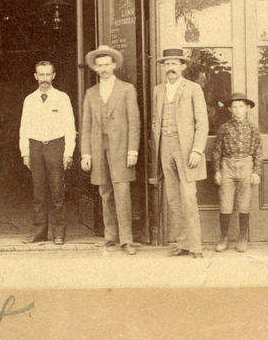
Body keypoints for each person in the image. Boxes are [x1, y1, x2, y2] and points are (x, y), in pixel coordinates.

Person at [79, 45, 141, 254]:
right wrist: (86, 153)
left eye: (107, 64)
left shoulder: (126, 89)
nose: (104, 68)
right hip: (98, 149)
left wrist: (132, 150)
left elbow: (134, 122)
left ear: (114, 65)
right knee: (105, 193)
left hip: (121, 148)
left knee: (122, 192)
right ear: (95, 68)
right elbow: (86, 126)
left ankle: (127, 240)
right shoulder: (91, 92)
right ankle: (111, 236)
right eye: (100, 65)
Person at [149, 48, 209, 257]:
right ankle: (183, 244)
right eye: (167, 64)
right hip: (164, 146)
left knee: (189, 197)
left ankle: (196, 247)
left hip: (187, 149)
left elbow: (202, 123)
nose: (170, 67)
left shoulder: (193, 89)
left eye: (174, 63)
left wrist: (197, 149)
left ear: (183, 66)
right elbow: (155, 120)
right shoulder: (158, 90)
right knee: (173, 198)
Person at [19, 59, 76, 245]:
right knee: (38, 193)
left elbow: (70, 127)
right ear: (35, 76)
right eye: (41, 75)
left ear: (54, 75)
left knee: (57, 192)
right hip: (35, 147)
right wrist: (25, 153)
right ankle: (39, 233)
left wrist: (68, 152)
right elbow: (24, 128)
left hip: (55, 146)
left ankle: (59, 233)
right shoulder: (29, 99)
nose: (44, 78)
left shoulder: (62, 98)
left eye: (48, 74)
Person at [212, 94, 262, 253]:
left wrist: (256, 171)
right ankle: (224, 237)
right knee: (225, 203)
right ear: (229, 109)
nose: (238, 110)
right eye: (234, 107)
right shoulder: (224, 128)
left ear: (247, 108)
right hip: (227, 165)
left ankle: (242, 236)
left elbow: (258, 151)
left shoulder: (253, 128)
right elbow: (216, 151)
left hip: (246, 164)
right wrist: (217, 171)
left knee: (244, 203)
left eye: (241, 106)